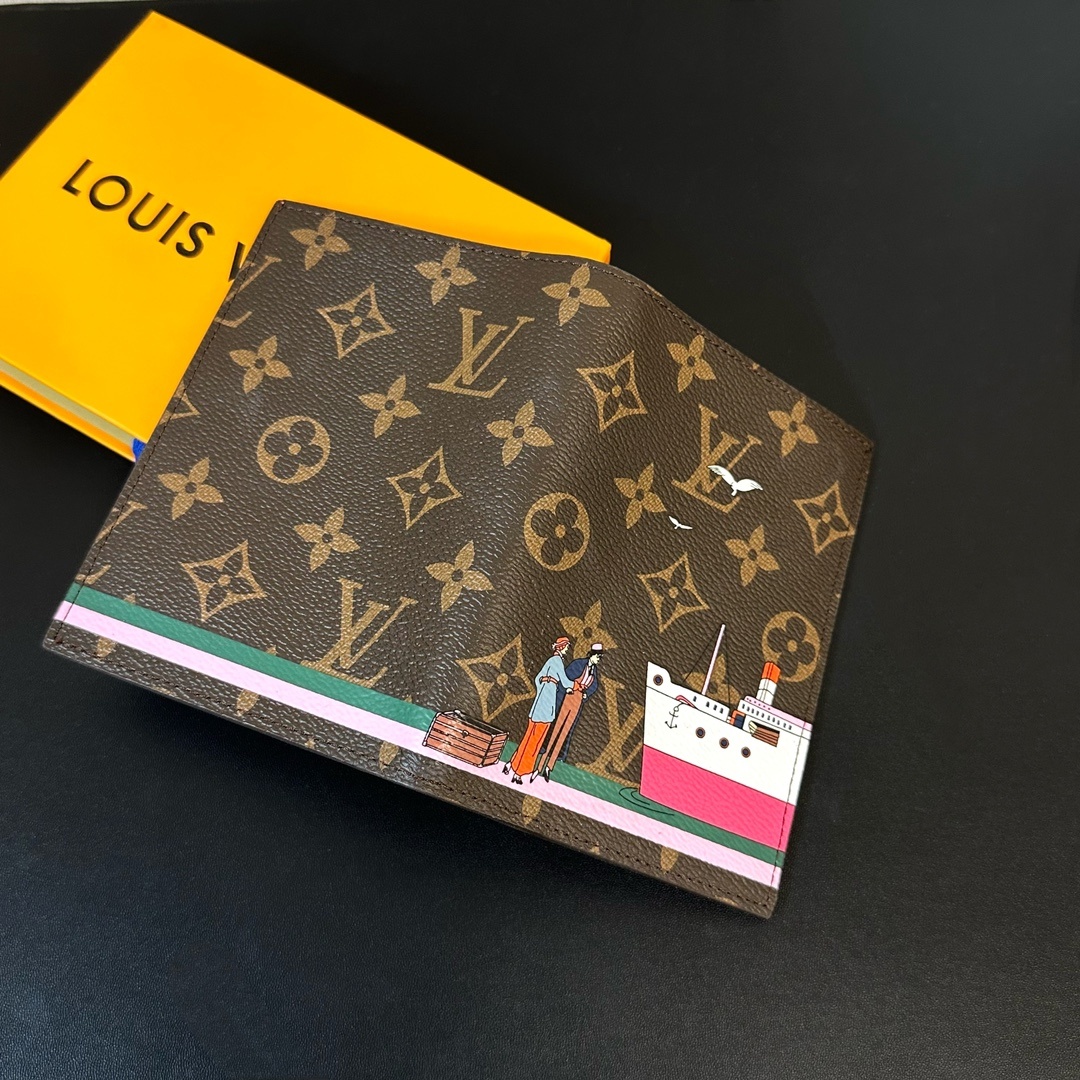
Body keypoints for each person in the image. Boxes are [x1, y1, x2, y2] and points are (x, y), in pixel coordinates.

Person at [504, 637, 575, 784]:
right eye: (566, 647)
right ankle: (519, 773)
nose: (567, 649)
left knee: (527, 739)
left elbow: (538, 679)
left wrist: (544, 685)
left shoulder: (550, 661)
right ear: (562, 647)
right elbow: (565, 681)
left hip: (538, 705)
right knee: (535, 743)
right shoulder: (557, 661)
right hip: (546, 708)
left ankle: (511, 764)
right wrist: (574, 686)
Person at [533, 642, 604, 781]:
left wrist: (586, 694)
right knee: (556, 727)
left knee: (566, 731)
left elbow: (594, 685)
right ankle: (541, 763)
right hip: (567, 697)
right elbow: (566, 677)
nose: (598, 660)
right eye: (598, 657)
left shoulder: (593, 671)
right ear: (592, 655)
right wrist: (569, 688)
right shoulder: (579, 664)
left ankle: (550, 766)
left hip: (578, 701)